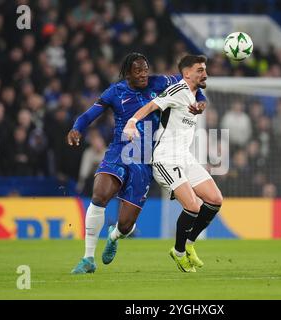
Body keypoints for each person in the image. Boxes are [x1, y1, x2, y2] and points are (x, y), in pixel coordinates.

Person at [68, 53, 207, 274]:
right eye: (138, 71)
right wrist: (77, 128)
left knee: (125, 225)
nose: (143, 74)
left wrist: (201, 102)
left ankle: (114, 236)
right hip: (119, 151)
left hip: (146, 160)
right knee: (100, 195)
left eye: (145, 69)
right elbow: (89, 115)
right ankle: (87, 258)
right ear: (127, 73)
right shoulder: (115, 91)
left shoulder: (161, 82)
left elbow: (193, 85)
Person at [123, 55, 223, 272]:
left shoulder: (195, 96)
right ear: (187, 73)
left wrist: (201, 104)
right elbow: (151, 106)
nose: (204, 74)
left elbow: (199, 100)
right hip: (165, 159)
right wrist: (131, 122)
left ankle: (189, 245)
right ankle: (178, 253)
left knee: (215, 200)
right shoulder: (176, 91)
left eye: (204, 70)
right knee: (193, 206)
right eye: (199, 70)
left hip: (184, 157)